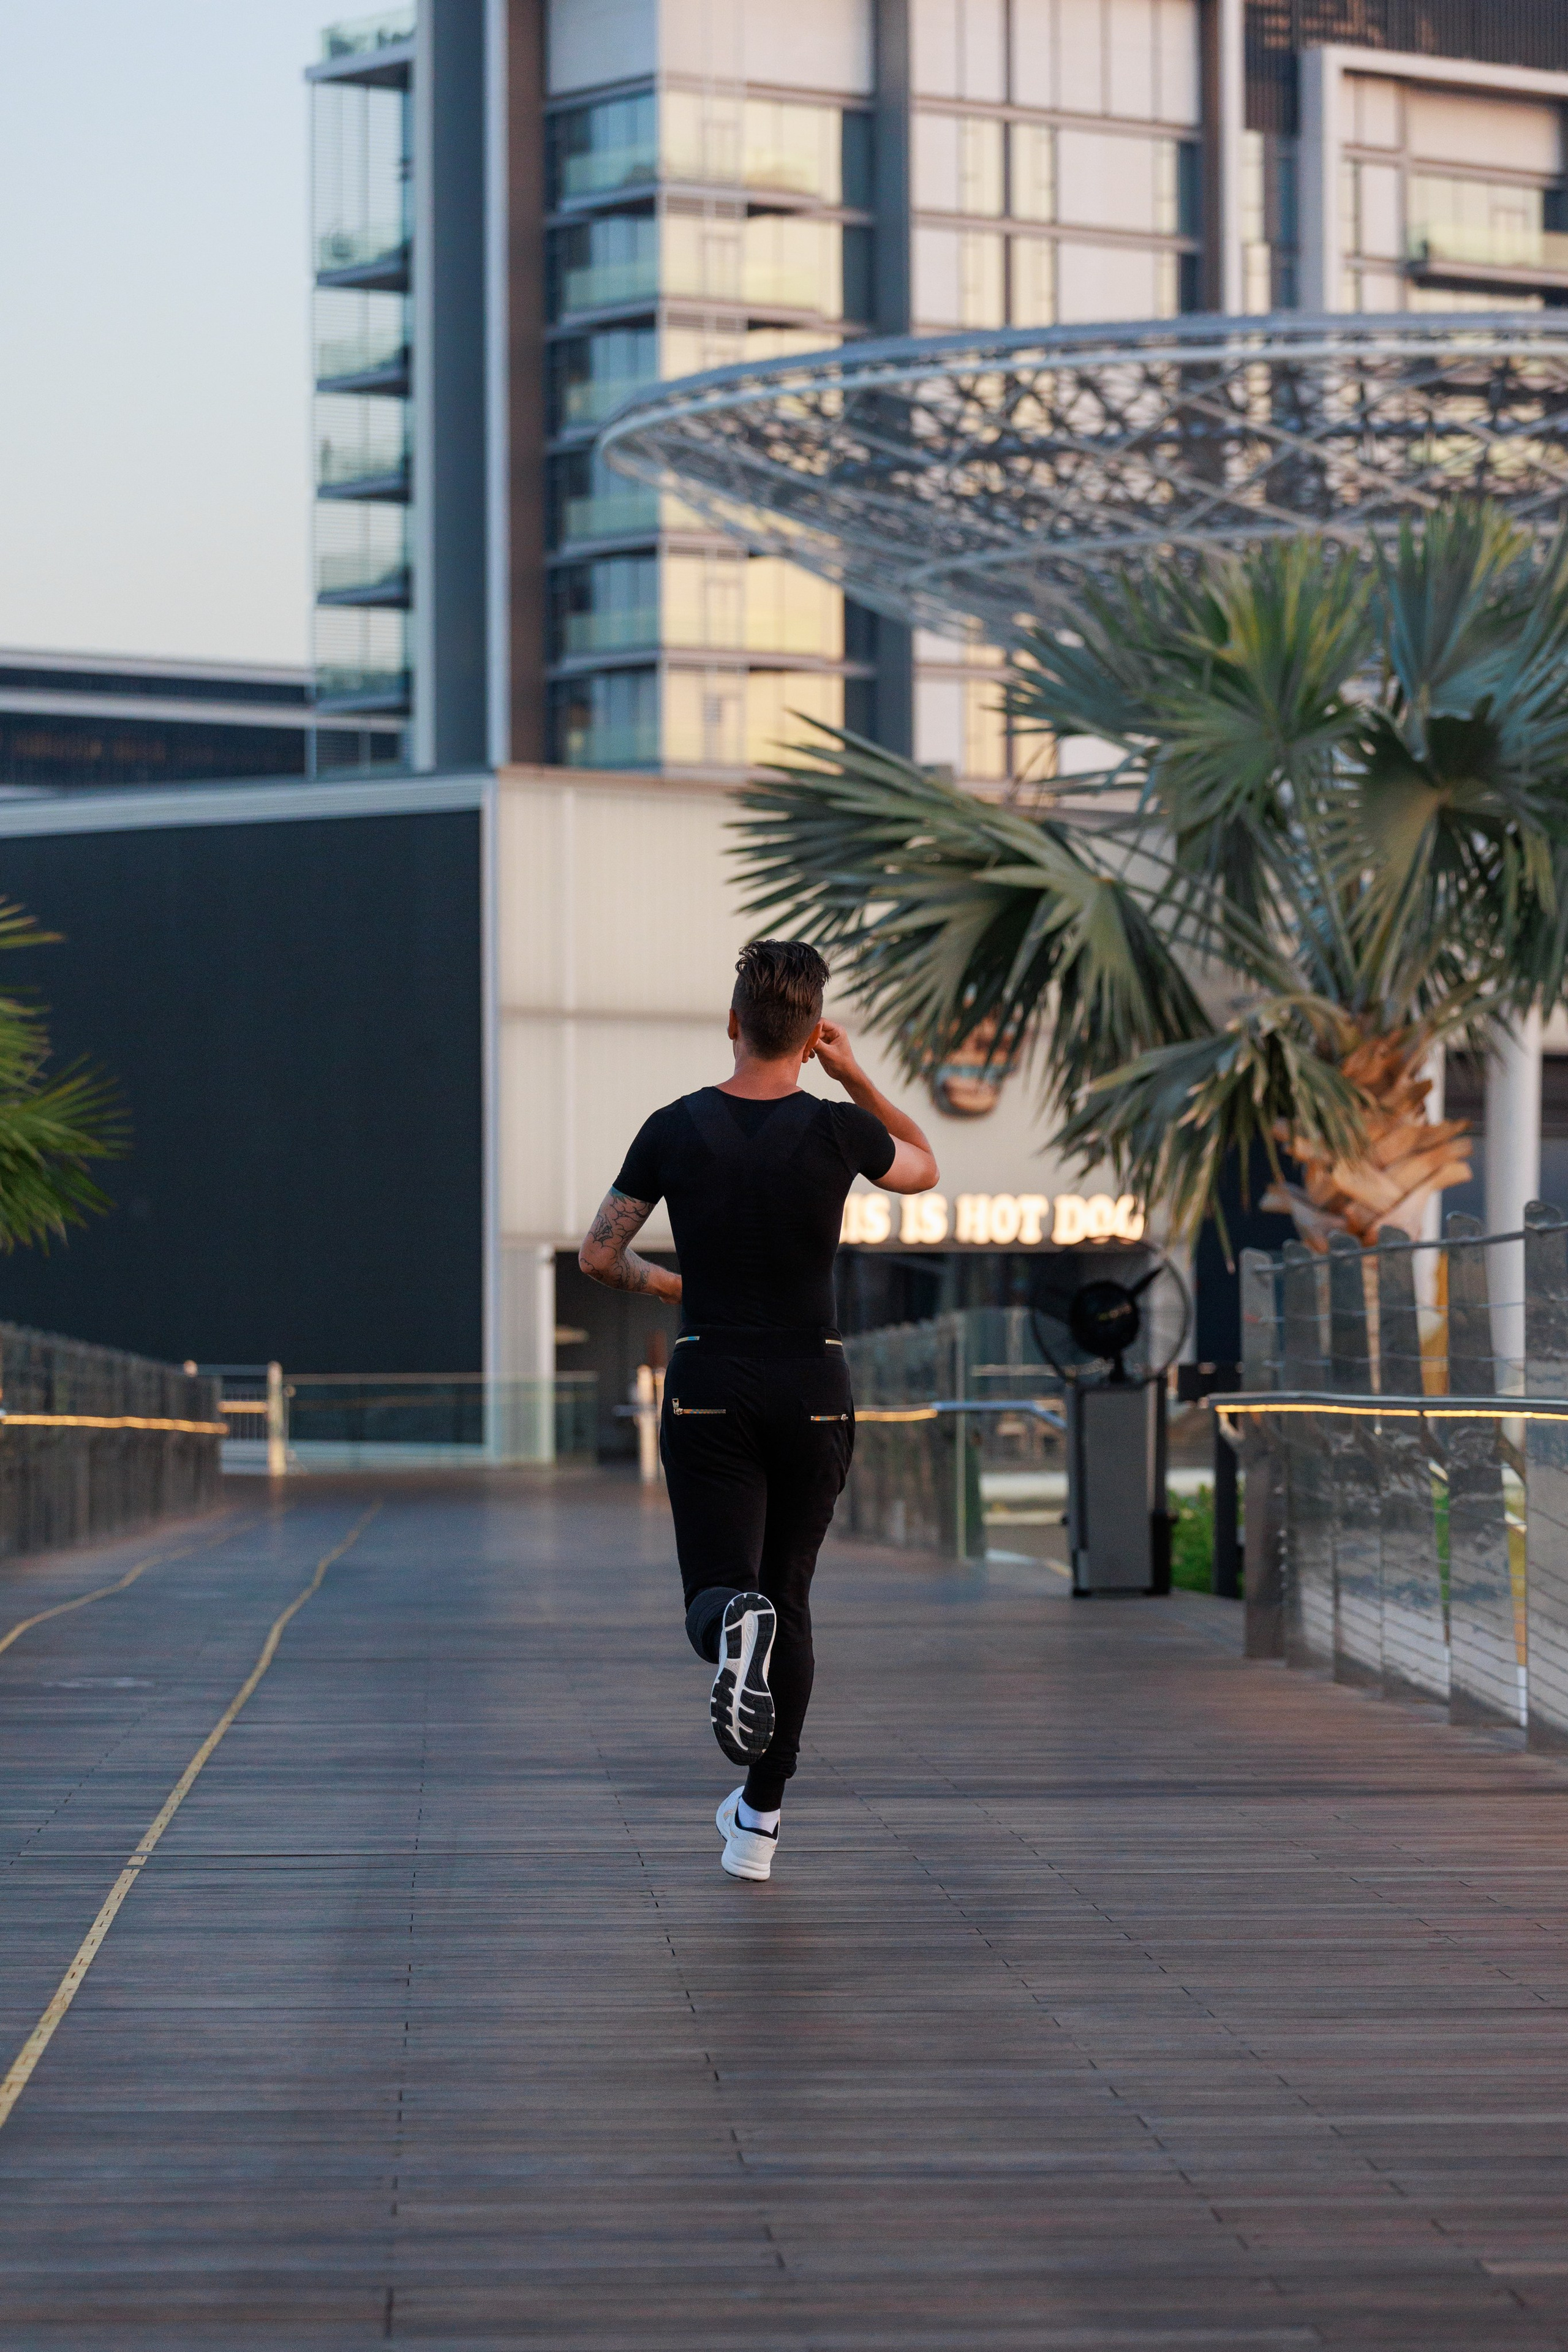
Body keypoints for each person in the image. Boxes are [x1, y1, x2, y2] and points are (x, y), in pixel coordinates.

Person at [579, 940, 938, 1882]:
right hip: (813, 1385)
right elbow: (924, 1165)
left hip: (710, 1377)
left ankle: (731, 1622)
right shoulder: (839, 1130)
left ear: (733, 1023)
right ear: (812, 1034)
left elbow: (597, 1255)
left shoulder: (673, 1128)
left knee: (722, 1588)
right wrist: (854, 1074)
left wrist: (672, 1287)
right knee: (792, 1596)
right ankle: (759, 1823)